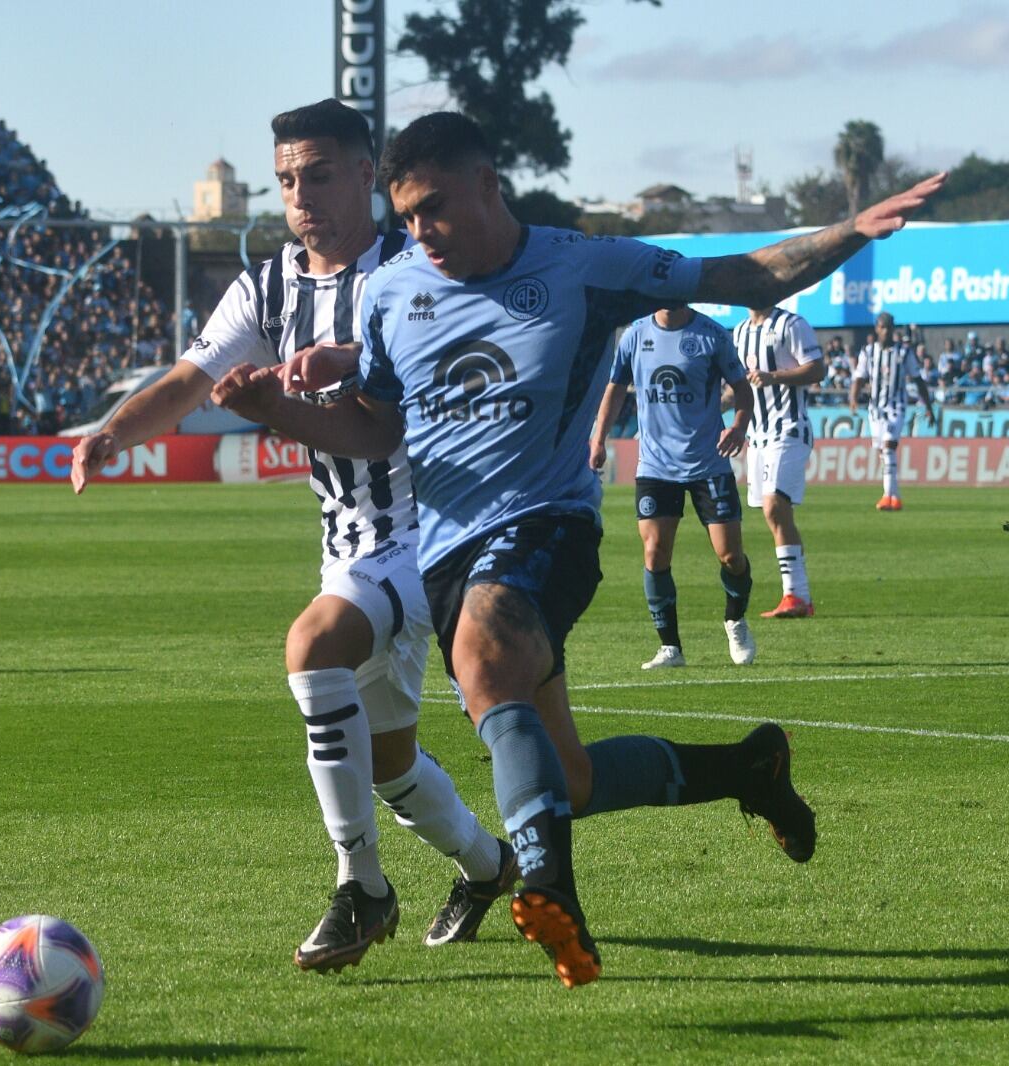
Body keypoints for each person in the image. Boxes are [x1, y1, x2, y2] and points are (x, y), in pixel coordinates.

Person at [212, 111, 942, 988]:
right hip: (446, 558)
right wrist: (277, 412)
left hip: (548, 525)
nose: (420, 231)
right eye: (405, 216)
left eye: (434, 206)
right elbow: (375, 428)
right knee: (571, 778)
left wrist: (850, 232)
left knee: (485, 652)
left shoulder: (584, 265)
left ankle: (549, 888)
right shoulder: (393, 293)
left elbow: (742, 274)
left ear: (488, 184)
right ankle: (751, 768)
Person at [70, 100, 513, 975]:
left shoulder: (412, 275)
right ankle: (490, 865)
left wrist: (283, 402)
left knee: (312, 646)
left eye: (317, 175)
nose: (299, 196)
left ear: (366, 176)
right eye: (284, 181)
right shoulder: (267, 287)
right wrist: (112, 433)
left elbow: (386, 430)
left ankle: (362, 887)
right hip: (346, 543)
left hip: (428, 534)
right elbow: (188, 379)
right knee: (389, 764)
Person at [588, 306, 757, 669]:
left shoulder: (712, 335)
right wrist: (598, 438)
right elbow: (614, 389)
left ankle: (735, 619)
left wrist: (739, 426)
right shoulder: (634, 335)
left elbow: (743, 389)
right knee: (655, 552)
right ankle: (670, 647)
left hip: (708, 461)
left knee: (730, 556)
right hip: (656, 465)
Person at [734, 305, 826, 618]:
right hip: (758, 437)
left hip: (789, 428)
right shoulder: (740, 332)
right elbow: (739, 387)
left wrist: (774, 377)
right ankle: (797, 596)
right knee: (775, 514)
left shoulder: (791, 324)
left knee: (775, 505)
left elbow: (817, 369)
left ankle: (796, 595)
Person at [850, 310, 934, 511]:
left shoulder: (904, 352)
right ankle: (894, 496)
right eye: (882, 327)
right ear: (877, 329)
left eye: (888, 327)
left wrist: (928, 406)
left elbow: (918, 379)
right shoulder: (868, 352)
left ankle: (888, 496)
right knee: (882, 452)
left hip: (896, 406)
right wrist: (853, 398)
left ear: (893, 329)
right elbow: (859, 377)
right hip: (875, 409)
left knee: (888, 447)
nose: (885, 331)